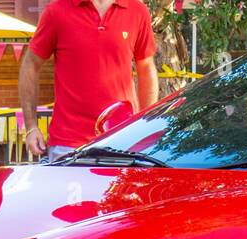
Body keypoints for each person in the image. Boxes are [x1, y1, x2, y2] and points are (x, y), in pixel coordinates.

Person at [19, 0, 159, 163]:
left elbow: (147, 68)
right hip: (68, 145)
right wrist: (31, 126)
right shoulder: (57, 11)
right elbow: (30, 64)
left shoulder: (137, 10)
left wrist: (146, 127)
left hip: (123, 142)